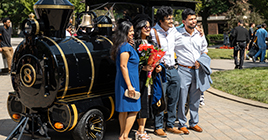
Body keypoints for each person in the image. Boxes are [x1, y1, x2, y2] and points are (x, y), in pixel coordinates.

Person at [150, 6, 183, 137]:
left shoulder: (173, 31)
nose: (171, 21)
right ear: (161, 20)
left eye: (171, 18)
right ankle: (158, 126)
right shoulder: (154, 32)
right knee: (160, 98)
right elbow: (148, 51)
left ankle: (170, 125)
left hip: (173, 68)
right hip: (161, 70)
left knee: (174, 98)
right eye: (168, 19)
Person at [175, 8, 208, 135]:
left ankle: (194, 122)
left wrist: (201, 60)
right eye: (191, 19)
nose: (194, 21)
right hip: (183, 69)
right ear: (184, 21)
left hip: (198, 70)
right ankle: (182, 123)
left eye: (195, 19)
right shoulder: (176, 33)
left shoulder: (199, 34)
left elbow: (204, 49)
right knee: (182, 98)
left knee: (196, 98)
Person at [110, 20, 140, 140]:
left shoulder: (121, 45)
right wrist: (130, 85)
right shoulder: (126, 47)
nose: (133, 33)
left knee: (123, 111)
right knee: (134, 110)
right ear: (125, 32)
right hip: (128, 80)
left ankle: (123, 135)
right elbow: (124, 66)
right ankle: (125, 136)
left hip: (123, 80)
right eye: (130, 31)